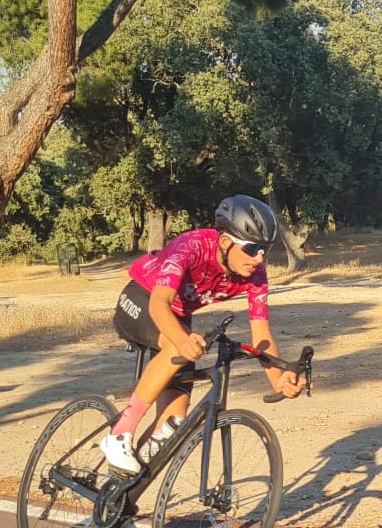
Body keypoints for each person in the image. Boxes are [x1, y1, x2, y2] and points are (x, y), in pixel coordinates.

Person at [102, 194, 306, 482]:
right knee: (178, 343)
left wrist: (277, 378)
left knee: (173, 425)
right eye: (251, 248)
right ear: (225, 242)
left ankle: (117, 503)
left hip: (178, 316)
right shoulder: (191, 246)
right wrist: (182, 341)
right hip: (142, 299)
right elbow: (159, 305)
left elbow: (261, 332)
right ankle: (120, 432)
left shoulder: (256, 272)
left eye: (265, 249)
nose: (259, 257)